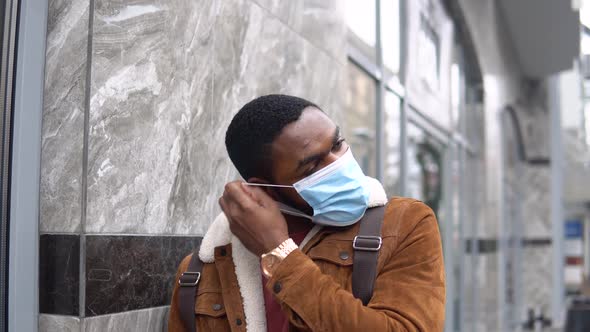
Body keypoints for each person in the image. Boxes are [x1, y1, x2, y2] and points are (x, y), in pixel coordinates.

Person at [167, 94, 445, 331]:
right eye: (312, 167)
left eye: (337, 144)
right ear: (266, 187)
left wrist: (279, 253)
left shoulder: (404, 224)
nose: (339, 164)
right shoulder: (203, 270)